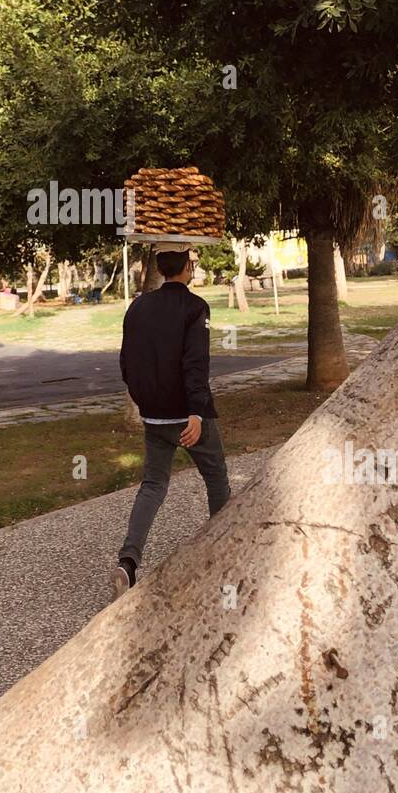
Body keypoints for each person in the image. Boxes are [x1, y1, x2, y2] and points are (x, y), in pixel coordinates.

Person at [113, 242, 231, 597]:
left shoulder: (136, 307)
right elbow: (196, 364)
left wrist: (144, 401)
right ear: (187, 268)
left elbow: (126, 362)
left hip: (154, 416)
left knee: (153, 485)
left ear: (161, 266)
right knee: (217, 479)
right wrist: (195, 412)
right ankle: (221, 556)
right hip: (189, 415)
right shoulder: (196, 307)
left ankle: (128, 563)